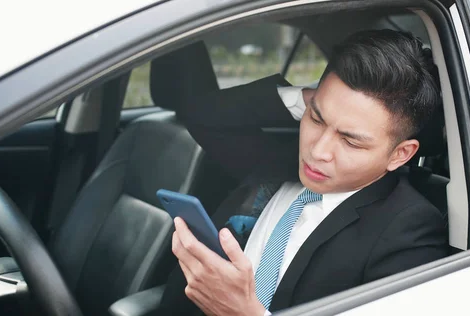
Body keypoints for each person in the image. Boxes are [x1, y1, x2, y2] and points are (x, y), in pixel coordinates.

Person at [158, 29, 449, 316]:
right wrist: (307, 98)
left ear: (400, 154)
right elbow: (200, 116)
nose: (318, 151)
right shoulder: (280, 160)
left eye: (350, 141)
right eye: (316, 119)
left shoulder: (409, 230)